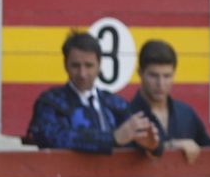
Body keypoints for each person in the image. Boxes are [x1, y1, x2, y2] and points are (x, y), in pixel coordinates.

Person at [25, 32, 160, 154]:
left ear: (99, 65)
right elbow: (53, 138)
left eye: (89, 66)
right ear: (65, 64)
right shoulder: (51, 103)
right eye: (75, 65)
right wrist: (112, 138)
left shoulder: (115, 104)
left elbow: (138, 136)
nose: (82, 74)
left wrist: (150, 144)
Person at [126, 39, 210, 161]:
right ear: (140, 73)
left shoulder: (186, 114)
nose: (160, 83)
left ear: (174, 75)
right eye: (153, 75)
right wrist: (171, 146)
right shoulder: (126, 115)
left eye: (167, 76)